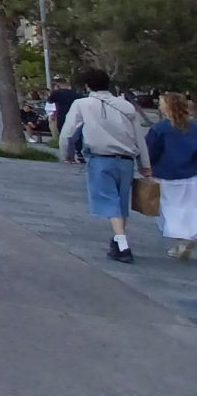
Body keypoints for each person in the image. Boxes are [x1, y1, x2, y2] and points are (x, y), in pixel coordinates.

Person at [59, 68, 151, 264]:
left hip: (100, 158)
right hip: (126, 161)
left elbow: (68, 132)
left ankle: (123, 244)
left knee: (109, 202)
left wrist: (67, 153)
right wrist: (144, 164)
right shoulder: (126, 106)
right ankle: (118, 240)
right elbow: (139, 137)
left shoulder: (82, 104)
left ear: (87, 85)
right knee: (120, 203)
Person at [149, 92, 197, 261]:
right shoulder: (194, 128)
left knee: (168, 210)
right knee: (190, 208)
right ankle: (189, 237)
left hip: (165, 173)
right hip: (191, 174)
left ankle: (180, 241)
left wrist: (147, 167)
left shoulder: (160, 128)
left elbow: (151, 151)